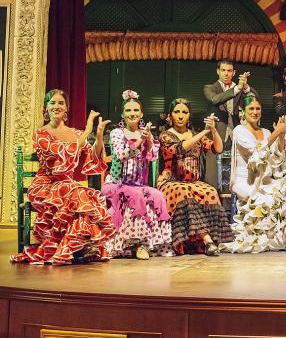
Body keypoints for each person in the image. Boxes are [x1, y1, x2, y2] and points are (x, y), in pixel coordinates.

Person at [12, 89, 115, 265]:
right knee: (77, 193)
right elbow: (64, 151)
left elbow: (92, 156)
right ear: (45, 109)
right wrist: (87, 129)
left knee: (80, 194)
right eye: (52, 103)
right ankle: (72, 248)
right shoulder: (40, 134)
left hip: (66, 187)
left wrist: (97, 134)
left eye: (61, 103)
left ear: (67, 108)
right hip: (44, 186)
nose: (57, 106)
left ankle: (72, 248)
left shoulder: (76, 133)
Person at [221, 95, 286, 253]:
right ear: (243, 111)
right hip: (246, 179)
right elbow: (256, 152)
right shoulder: (239, 131)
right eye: (251, 109)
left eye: (258, 108)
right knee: (266, 198)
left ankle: (284, 239)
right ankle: (264, 238)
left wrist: (281, 136)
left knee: (285, 193)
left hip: (265, 178)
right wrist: (276, 132)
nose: (255, 112)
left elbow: (277, 156)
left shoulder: (266, 131)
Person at [158, 98, 233, 256]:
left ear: (189, 115)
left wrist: (212, 130)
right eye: (176, 112)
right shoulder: (165, 136)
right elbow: (181, 148)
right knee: (184, 192)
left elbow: (217, 148)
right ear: (170, 115)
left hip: (193, 182)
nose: (180, 116)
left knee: (210, 191)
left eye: (184, 112)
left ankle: (207, 240)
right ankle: (207, 241)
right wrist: (204, 132)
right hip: (172, 182)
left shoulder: (194, 134)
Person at [102, 90, 172, 260]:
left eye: (135, 110)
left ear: (141, 113)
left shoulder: (146, 133)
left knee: (158, 196)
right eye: (128, 110)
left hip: (138, 184)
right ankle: (135, 244)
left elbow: (153, 156)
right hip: (118, 183)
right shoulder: (116, 133)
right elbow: (122, 155)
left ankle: (147, 244)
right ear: (122, 114)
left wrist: (148, 139)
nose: (132, 113)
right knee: (136, 196)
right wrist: (141, 139)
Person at [203, 59, 256, 147]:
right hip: (216, 135)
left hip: (236, 135)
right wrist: (236, 89)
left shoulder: (239, 88)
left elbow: (255, 101)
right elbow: (215, 100)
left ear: (234, 73)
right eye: (223, 70)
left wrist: (245, 86)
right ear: (218, 71)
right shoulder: (209, 88)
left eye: (229, 70)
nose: (226, 73)